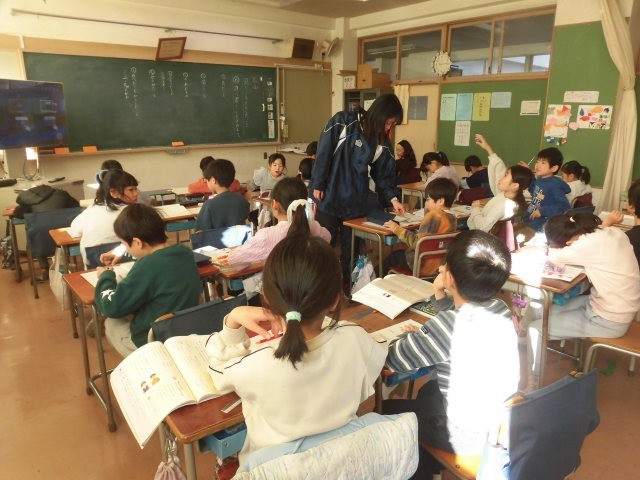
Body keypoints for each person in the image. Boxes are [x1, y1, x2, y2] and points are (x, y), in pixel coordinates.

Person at [205, 224, 387, 470]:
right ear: (335, 300)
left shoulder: (258, 364)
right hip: (340, 467)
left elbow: (217, 370)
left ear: (267, 298)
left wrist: (233, 319)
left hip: (275, 472)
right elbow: (379, 354)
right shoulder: (355, 338)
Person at [384, 230, 518, 479]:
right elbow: (455, 316)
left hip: (466, 435)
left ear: (451, 278)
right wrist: (439, 296)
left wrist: (411, 339)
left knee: (386, 412)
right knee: (428, 391)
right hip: (496, 418)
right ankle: (430, 466)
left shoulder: (449, 327)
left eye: (446, 265)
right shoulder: (500, 307)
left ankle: (421, 469)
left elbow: (394, 359)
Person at [527, 213, 640, 379]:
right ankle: (524, 334)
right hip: (616, 307)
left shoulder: (584, 245)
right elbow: (601, 230)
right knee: (541, 310)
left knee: (535, 328)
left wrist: (553, 247)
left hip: (608, 319)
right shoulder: (613, 232)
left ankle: (533, 378)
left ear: (568, 243)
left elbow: (552, 256)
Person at [310, 93, 405, 288]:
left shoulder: (381, 142)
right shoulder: (344, 121)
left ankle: (350, 288)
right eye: (388, 122)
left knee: (351, 249)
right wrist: (318, 182)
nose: (388, 128)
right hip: (328, 195)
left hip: (355, 202)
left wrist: (393, 199)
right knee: (323, 246)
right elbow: (323, 151)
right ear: (379, 114)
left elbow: (383, 175)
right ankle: (318, 288)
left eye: (392, 124)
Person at [94, 204, 201, 357]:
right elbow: (152, 256)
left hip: (153, 339)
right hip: (185, 329)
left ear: (138, 242)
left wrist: (106, 276)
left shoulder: (147, 266)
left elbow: (111, 307)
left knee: (111, 322)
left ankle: (143, 361)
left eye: (123, 244)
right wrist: (123, 251)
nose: (124, 248)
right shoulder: (184, 252)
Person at [227, 177, 330, 267]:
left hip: (278, 283)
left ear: (275, 204)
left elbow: (234, 259)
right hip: (310, 281)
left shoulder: (267, 236)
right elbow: (327, 237)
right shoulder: (313, 226)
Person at [383, 178, 457, 277]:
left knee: (393, 257)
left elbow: (417, 243)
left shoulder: (433, 216)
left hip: (421, 265)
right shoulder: (453, 218)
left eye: (428, 199)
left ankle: (373, 282)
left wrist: (396, 228)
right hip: (440, 266)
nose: (426, 202)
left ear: (440, 201)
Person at [69, 169, 139, 268]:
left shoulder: (93, 208)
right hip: (121, 259)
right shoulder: (131, 211)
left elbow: (75, 232)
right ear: (114, 192)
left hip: (92, 261)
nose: (136, 194)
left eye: (136, 189)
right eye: (131, 190)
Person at [468, 135, 534, 232]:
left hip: (476, 236)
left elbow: (482, 227)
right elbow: (498, 168)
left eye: (506, 175)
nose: (500, 177)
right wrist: (487, 147)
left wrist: (475, 209)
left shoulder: (505, 204)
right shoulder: (506, 196)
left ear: (514, 185)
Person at [521, 147, 570, 232]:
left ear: (554, 168)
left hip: (542, 225)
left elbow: (564, 206)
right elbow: (534, 191)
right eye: (537, 161)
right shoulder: (540, 180)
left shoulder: (554, 185)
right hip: (530, 220)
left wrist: (542, 211)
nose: (538, 165)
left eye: (543, 162)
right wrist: (528, 172)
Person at [195, 159, 249, 232]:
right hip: (239, 238)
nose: (207, 183)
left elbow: (200, 233)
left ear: (213, 180)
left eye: (207, 180)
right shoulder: (242, 200)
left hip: (216, 239)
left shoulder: (209, 205)